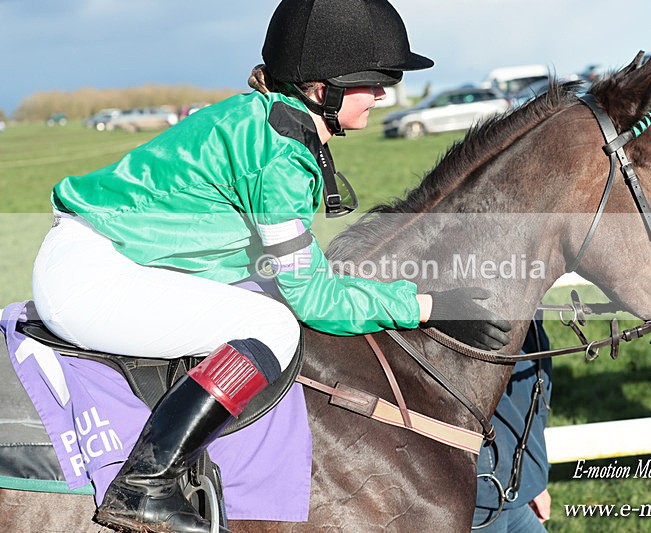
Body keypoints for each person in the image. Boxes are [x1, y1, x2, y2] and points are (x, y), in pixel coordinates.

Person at [30, 1, 512, 532]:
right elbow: (314, 298)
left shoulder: (268, 122)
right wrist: (427, 306)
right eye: (375, 80)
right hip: (94, 279)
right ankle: (145, 484)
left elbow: (294, 272)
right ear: (321, 89)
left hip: (109, 258)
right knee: (273, 325)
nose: (383, 94)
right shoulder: (278, 154)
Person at [473, 319, 552, 532]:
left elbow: (527, 404)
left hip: (509, 489)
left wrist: (531, 479)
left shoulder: (530, 322)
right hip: (481, 495)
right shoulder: (486, 323)